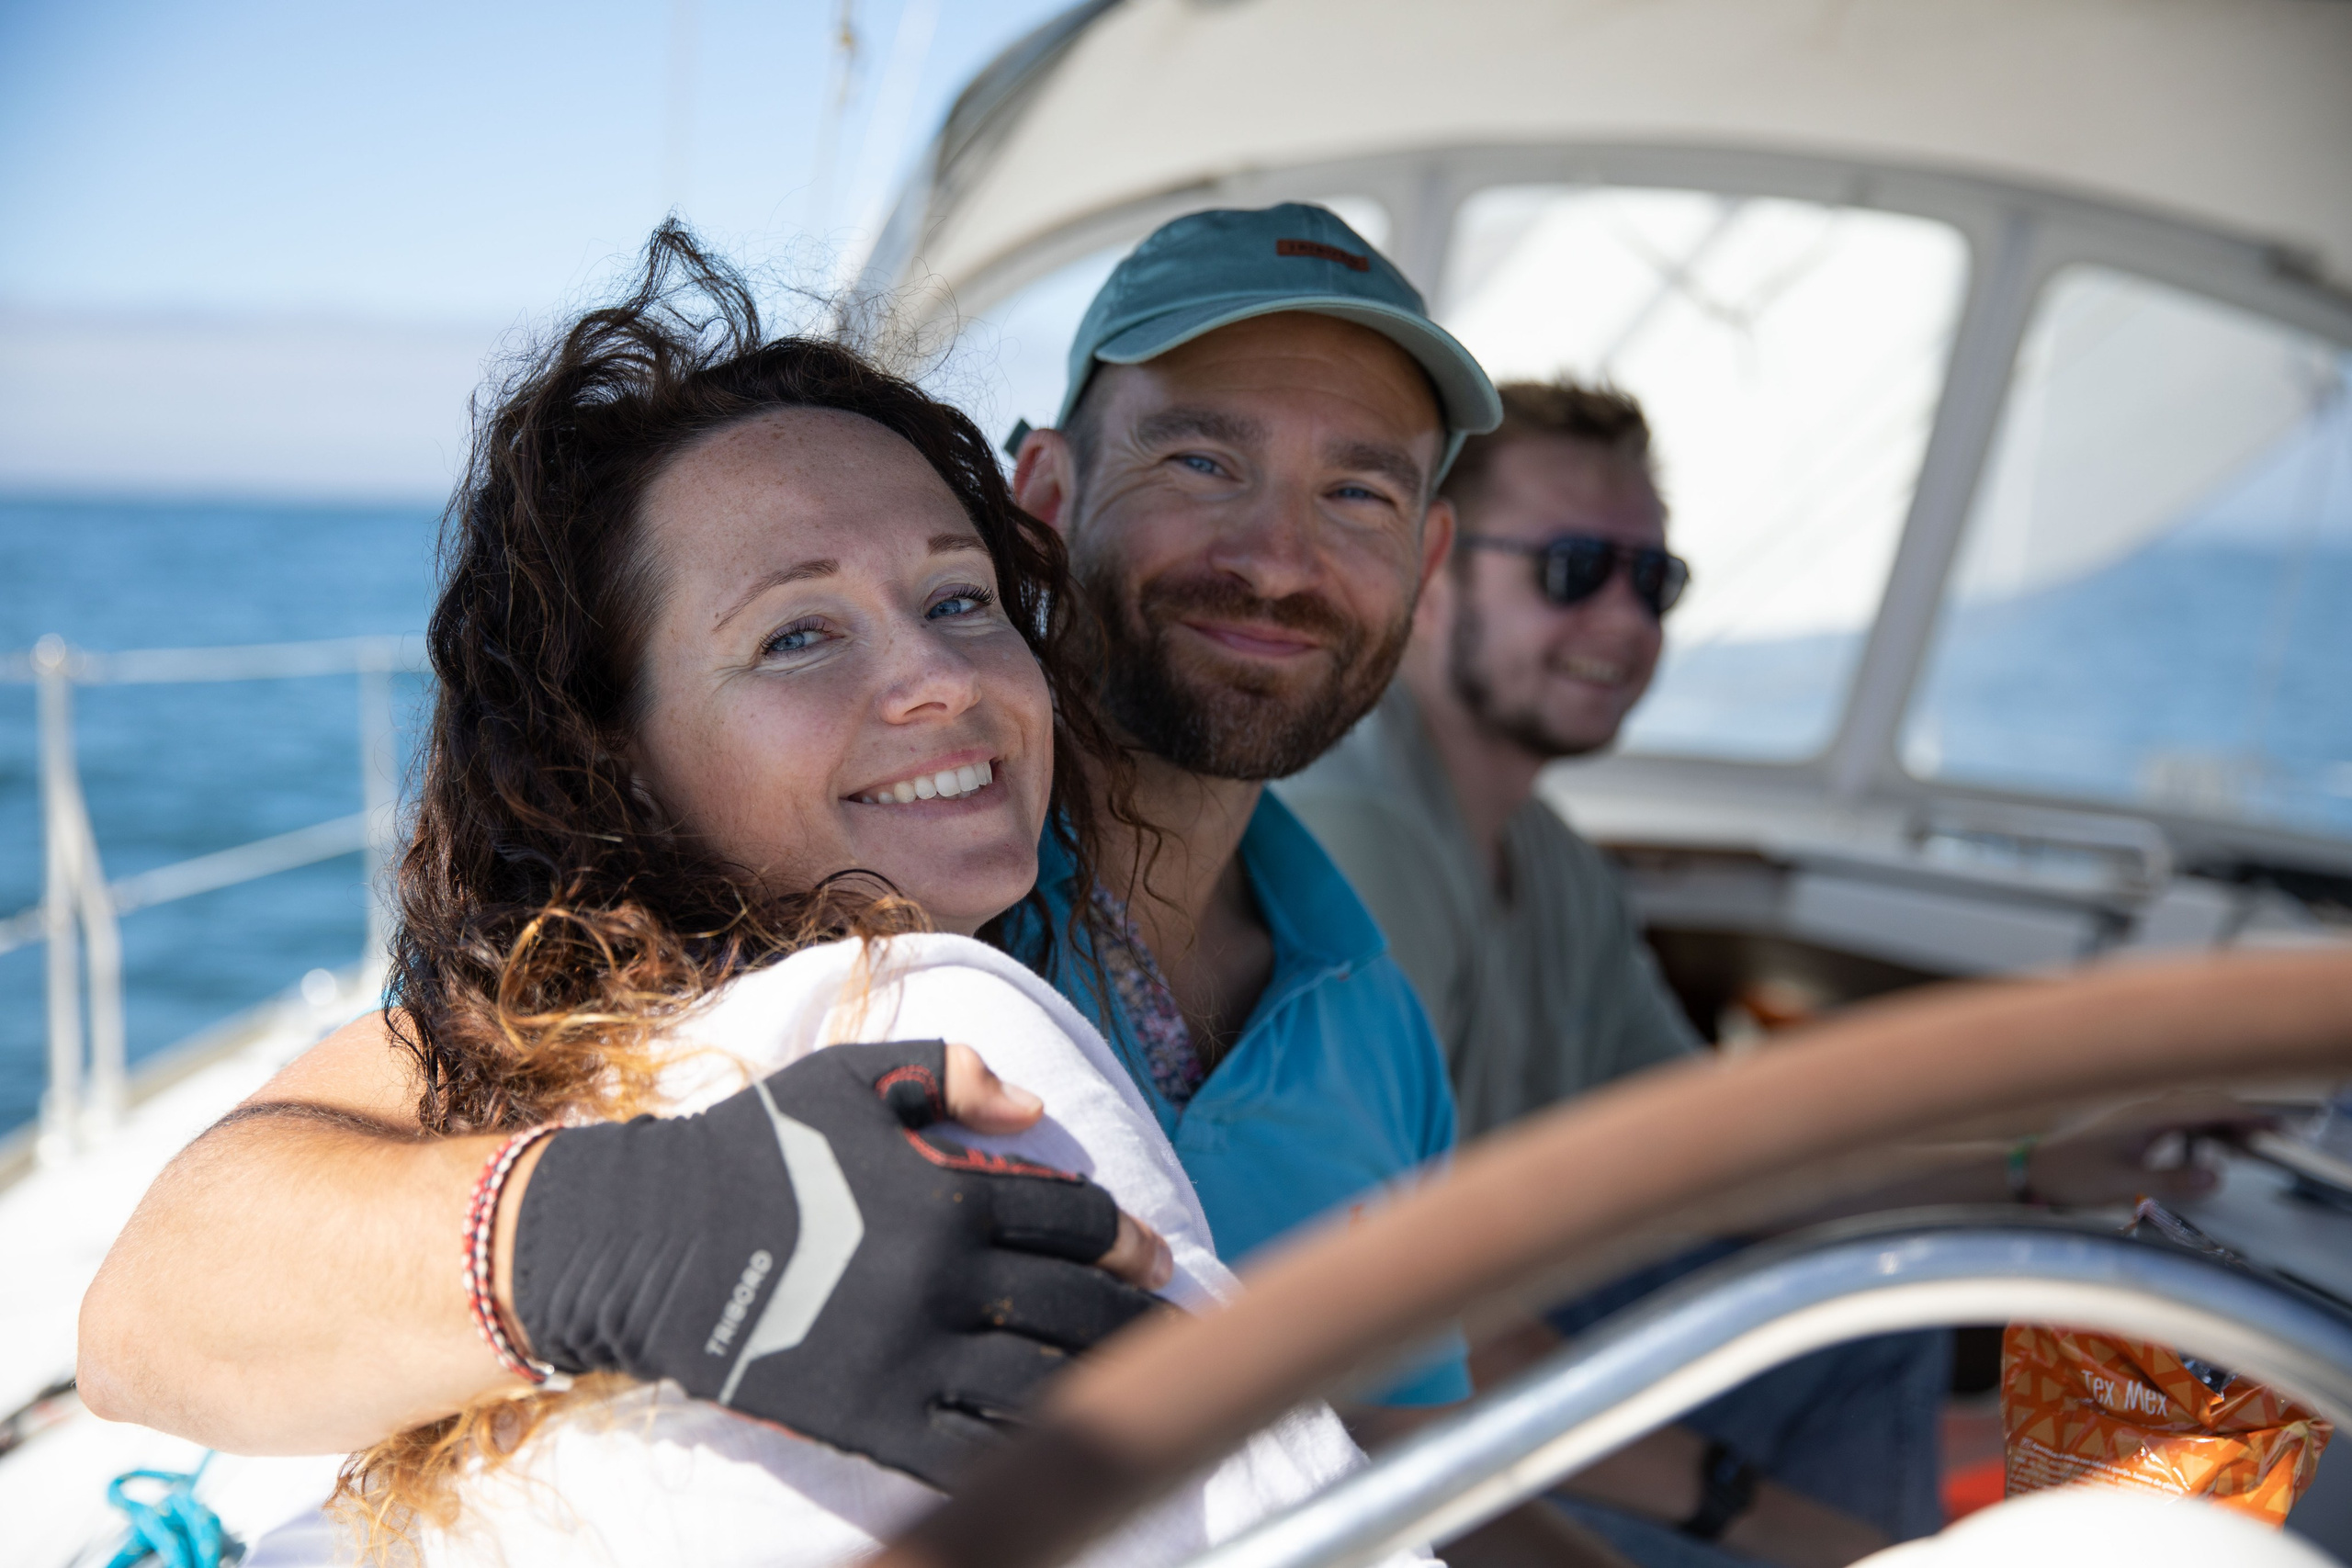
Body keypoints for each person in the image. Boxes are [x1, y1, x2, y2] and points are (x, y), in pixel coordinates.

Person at [77, 227, 1431, 1568]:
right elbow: (154, 1307)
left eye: (959, 601)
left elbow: (1391, 1436)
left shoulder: (1383, 1015)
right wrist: (654, 1233)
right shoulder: (704, 981)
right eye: (796, 635)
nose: (937, 679)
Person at [1280, 379, 2255, 1567]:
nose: (1625, 622)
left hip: (1500, 1367)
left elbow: (1722, 1167)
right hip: (1373, 1452)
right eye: (1575, 567)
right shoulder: (1361, 836)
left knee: (1863, 1302)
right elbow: (1390, 1325)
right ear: (1432, 574)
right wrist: (1777, 1523)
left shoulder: (1551, 867)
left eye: (1654, 582)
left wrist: (2032, 1167)